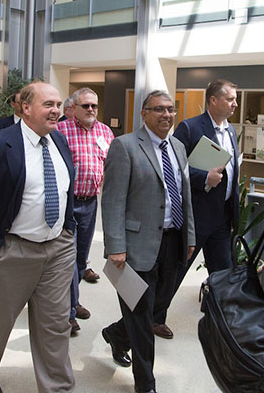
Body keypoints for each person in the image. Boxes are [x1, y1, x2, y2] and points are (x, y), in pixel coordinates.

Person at [0, 81, 77, 393]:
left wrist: (68, 231)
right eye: (48, 104)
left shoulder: (61, 142)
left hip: (57, 250)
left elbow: (66, 192)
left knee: (55, 325)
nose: (56, 110)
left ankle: (58, 387)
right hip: (12, 251)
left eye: (58, 104)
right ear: (26, 108)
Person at [101, 90, 195, 393]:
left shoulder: (179, 147)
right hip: (134, 247)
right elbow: (113, 200)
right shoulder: (125, 146)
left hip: (171, 242)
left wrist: (189, 236)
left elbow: (185, 197)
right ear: (144, 114)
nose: (166, 115)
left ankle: (116, 334)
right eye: (158, 109)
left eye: (170, 109)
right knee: (142, 318)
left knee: (154, 307)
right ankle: (146, 383)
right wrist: (115, 245)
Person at [153, 79, 240, 339]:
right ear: (213, 100)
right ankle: (155, 318)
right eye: (230, 99)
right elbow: (172, 167)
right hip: (196, 217)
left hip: (222, 217)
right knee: (176, 272)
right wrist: (204, 179)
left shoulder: (231, 131)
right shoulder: (190, 128)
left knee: (222, 273)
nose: (235, 103)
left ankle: (221, 321)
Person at [57, 87, 115, 336]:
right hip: (67, 203)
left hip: (91, 203)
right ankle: (68, 311)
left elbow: (110, 165)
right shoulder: (61, 130)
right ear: (73, 108)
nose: (91, 109)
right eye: (85, 106)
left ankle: (72, 299)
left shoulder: (105, 131)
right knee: (68, 258)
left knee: (81, 258)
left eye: (94, 105)